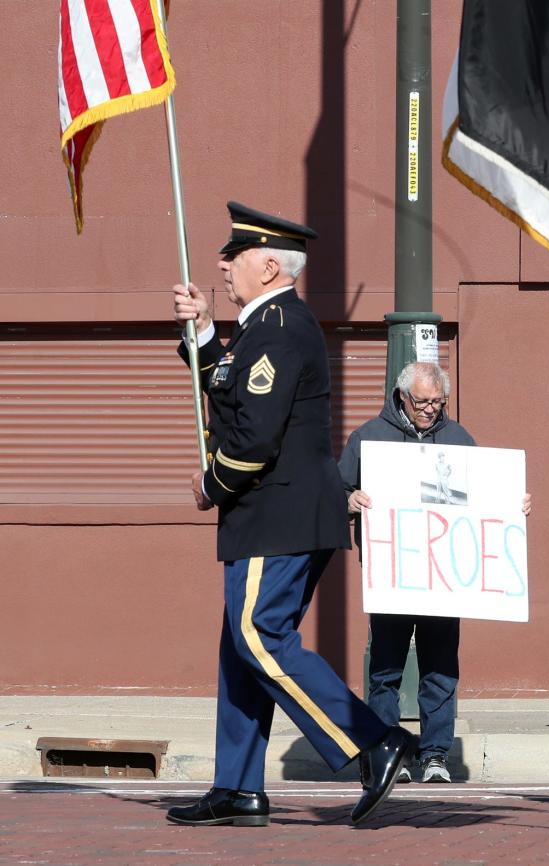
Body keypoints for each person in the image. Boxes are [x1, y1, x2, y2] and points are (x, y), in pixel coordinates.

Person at [165, 202, 415, 827]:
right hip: (279, 515)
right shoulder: (263, 325)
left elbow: (252, 437)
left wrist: (211, 485)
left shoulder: (279, 327)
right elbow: (229, 387)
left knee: (258, 636)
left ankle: (372, 740)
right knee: (240, 648)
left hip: (277, 515)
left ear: (269, 265)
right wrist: (201, 335)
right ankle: (239, 787)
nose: (223, 265)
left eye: (236, 255)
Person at [338, 361, 531, 784]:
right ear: (402, 396)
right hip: (394, 575)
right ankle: (387, 751)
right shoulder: (369, 438)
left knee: (440, 669)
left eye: (437, 402)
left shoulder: (458, 439)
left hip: (444, 579)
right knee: (385, 671)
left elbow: (485, 496)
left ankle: (435, 755)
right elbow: (335, 491)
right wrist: (349, 500)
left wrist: (513, 507)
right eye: (422, 401)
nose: (430, 409)